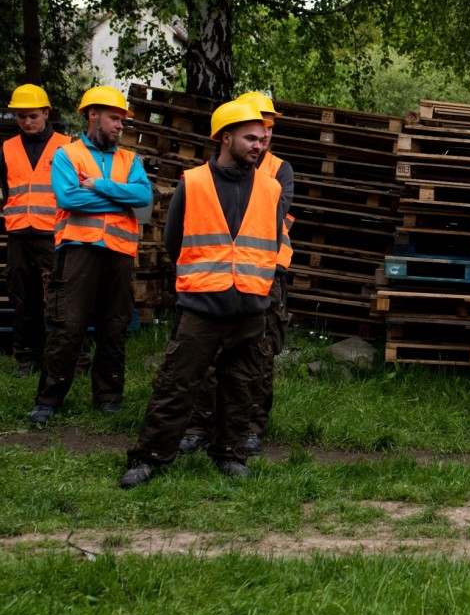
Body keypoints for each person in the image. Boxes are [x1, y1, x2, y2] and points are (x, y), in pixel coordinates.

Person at [121, 100, 284, 488]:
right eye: (250, 138)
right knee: (176, 384)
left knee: (242, 384)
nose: (259, 145)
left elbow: (272, 241)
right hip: (202, 306)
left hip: (250, 306)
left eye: (262, 139)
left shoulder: (271, 187)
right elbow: (173, 241)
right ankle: (150, 457)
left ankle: (229, 453)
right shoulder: (192, 182)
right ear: (225, 139)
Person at [179, 91, 294, 457]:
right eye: (257, 127)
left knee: (258, 355)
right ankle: (200, 425)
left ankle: (250, 427)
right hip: (213, 277)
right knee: (206, 354)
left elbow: (272, 216)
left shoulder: (278, 171)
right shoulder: (208, 173)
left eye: (268, 128)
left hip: (264, 273)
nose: (264, 135)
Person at [30, 87, 152, 425]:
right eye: (114, 117)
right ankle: (48, 399)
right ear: (92, 115)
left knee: (114, 327)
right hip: (77, 250)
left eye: (122, 120)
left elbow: (143, 197)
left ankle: (109, 396)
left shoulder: (130, 159)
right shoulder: (67, 155)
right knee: (68, 326)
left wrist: (98, 185)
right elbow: (69, 199)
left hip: (118, 254)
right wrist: (119, 201)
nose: (120, 125)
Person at [3, 84, 70, 377]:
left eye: (32, 116)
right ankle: (26, 359)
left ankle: (63, 358)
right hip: (18, 235)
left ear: (46, 112)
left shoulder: (67, 146)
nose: (27, 122)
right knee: (23, 297)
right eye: (20, 117)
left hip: (53, 235)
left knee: (58, 299)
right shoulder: (6, 148)